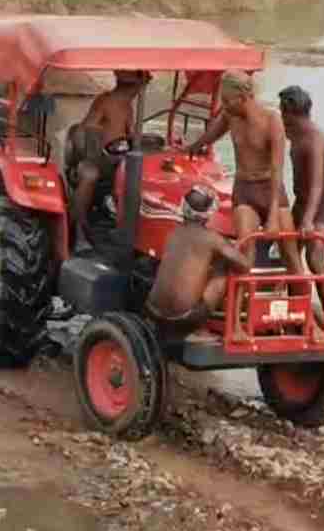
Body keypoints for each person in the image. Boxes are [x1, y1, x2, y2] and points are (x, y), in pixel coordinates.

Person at [181, 71, 304, 341]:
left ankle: (306, 321)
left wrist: (272, 216)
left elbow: (277, 171)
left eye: (228, 100)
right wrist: (195, 146)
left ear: (244, 96)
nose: (224, 106)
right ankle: (235, 325)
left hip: (271, 190)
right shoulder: (230, 116)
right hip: (245, 190)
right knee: (242, 257)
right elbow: (211, 134)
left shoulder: (272, 121)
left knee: (292, 257)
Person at [145, 186, 248, 335]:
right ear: (209, 214)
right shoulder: (211, 239)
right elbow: (244, 266)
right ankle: (227, 325)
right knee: (223, 270)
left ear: (183, 206)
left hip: (153, 312)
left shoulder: (173, 233)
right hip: (186, 317)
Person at [279, 85, 324, 335]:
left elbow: (316, 185)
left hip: (323, 202)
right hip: (303, 201)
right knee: (289, 254)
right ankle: (298, 312)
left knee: (314, 257)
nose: (280, 116)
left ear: (291, 112)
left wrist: (307, 220)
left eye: (282, 111)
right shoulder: (293, 131)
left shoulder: (314, 139)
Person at [68, 70, 151, 242]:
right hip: (97, 158)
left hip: (119, 158)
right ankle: (77, 227)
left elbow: (130, 135)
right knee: (90, 175)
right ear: (133, 87)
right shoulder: (105, 101)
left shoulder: (128, 107)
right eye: (140, 87)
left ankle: (128, 227)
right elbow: (84, 130)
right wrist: (94, 153)